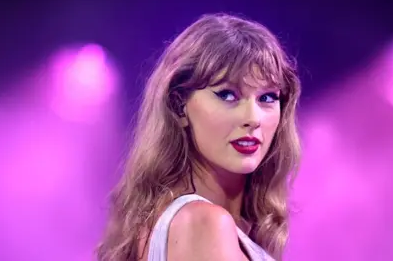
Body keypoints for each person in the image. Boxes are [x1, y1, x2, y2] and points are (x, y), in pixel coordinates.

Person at [96, 13, 301, 261]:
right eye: (227, 95)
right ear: (179, 105)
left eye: (267, 98)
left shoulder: (169, 221)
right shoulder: (204, 224)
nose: (253, 117)